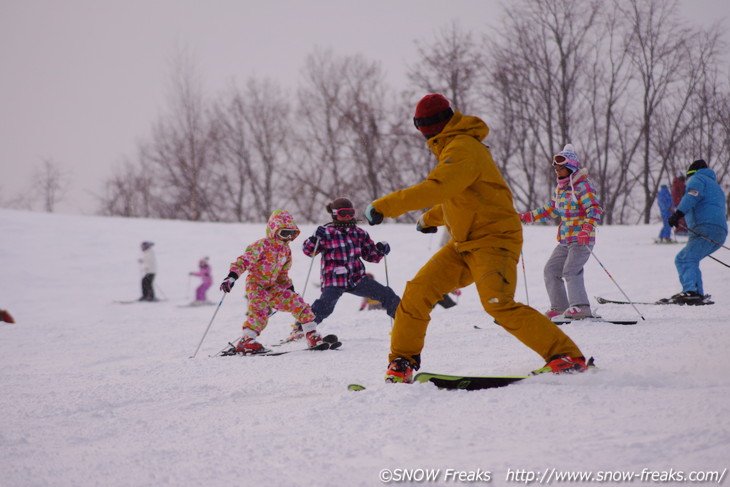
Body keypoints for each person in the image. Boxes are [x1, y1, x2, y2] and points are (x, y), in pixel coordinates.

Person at [364, 93, 588, 383]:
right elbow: (458, 198)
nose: (423, 132)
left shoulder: (464, 148)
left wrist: (385, 206)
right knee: (417, 293)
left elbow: (439, 187)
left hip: (495, 240)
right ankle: (401, 362)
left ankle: (565, 355)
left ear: (434, 125)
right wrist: (427, 219)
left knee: (498, 302)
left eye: (423, 126)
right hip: (463, 245)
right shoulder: (451, 149)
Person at [285, 198, 400, 343]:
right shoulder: (326, 232)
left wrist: (380, 250)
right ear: (334, 215)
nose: (347, 217)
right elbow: (308, 251)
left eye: (350, 213)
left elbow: (370, 255)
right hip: (334, 279)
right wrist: (315, 238)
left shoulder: (359, 233)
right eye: (343, 213)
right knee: (325, 306)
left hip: (357, 278)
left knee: (387, 294)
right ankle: (300, 329)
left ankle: (405, 322)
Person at [218, 209, 326, 354]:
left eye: (291, 234)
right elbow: (244, 260)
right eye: (284, 233)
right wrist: (232, 276)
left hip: (273, 286)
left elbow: (282, 273)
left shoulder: (286, 251)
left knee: (298, 302)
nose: (287, 238)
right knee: (260, 311)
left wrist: (289, 289)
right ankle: (246, 341)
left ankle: (311, 333)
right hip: (256, 285)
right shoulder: (261, 245)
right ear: (273, 230)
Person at [520, 144, 603, 320]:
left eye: (561, 168)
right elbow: (551, 209)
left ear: (571, 168)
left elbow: (594, 209)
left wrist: (587, 228)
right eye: (556, 168)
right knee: (551, 270)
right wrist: (527, 217)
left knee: (571, 270)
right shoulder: (562, 189)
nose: (557, 171)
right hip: (565, 240)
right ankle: (560, 308)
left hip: (581, 240)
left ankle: (581, 307)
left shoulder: (583, 186)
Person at [665, 159, 728, 304]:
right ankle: (696, 292)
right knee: (689, 258)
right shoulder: (715, 186)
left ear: (691, 173)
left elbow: (692, 196)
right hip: (720, 231)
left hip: (705, 227)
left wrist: (677, 214)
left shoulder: (698, 178)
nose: (688, 181)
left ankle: (691, 292)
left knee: (685, 259)